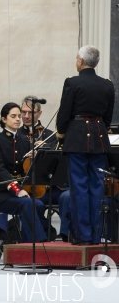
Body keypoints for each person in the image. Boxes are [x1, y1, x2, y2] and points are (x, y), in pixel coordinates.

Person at [56, 45, 115, 245]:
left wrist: (62, 135)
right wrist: (99, 129)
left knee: (79, 187)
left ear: (80, 61)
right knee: (97, 187)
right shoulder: (107, 84)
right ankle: (96, 236)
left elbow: (64, 113)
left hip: (77, 139)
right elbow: (108, 117)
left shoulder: (72, 83)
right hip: (99, 139)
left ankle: (83, 235)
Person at [0, 102, 48, 243]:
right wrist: (16, 189)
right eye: (13, 116)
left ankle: (26, 243)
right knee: (27, 204)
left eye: (19, 116)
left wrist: (36, 157)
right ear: (4, 119)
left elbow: (25, 169)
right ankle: (38, 244)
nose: (18, 119)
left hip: (21, 191)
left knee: (39, 204)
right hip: (0, 193)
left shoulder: (25, 140)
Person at [19, 95, 61, 240]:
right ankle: (44, 234)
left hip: (49, 188)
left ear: (39, 114)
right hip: (26, 189)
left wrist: (46, 150)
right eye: (22, 112)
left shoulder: (50, 136)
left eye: (30, 113)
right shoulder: (16, 136)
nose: (25, 116)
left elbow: (58, 164)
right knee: (34, 204)